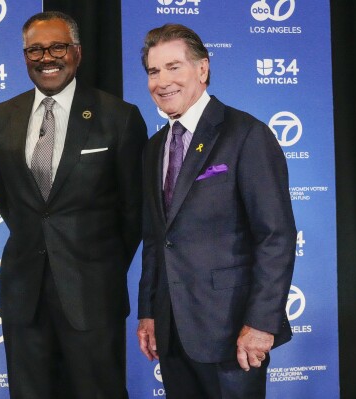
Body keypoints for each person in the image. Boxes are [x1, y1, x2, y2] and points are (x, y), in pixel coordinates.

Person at [0, 11, 148, 399]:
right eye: (35, 50)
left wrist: (97, 263)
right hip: (24, 296)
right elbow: (8, 200)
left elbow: (133, 211)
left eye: (57, 47)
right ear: (25, 56)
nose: (46, 57)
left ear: (76, 51)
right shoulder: (0, 117)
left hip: (92, 294)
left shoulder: (119, 117)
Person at [136, 24, 296, 398]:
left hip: (233, 332)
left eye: (174, 67)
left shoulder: (247, 134)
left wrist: (261, 322)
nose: (162, 81)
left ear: (202, 69)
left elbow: (276, 236)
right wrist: (149, 311)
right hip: (173, 332)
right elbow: (156, 237)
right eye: (153, 71)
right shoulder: (154, 147)